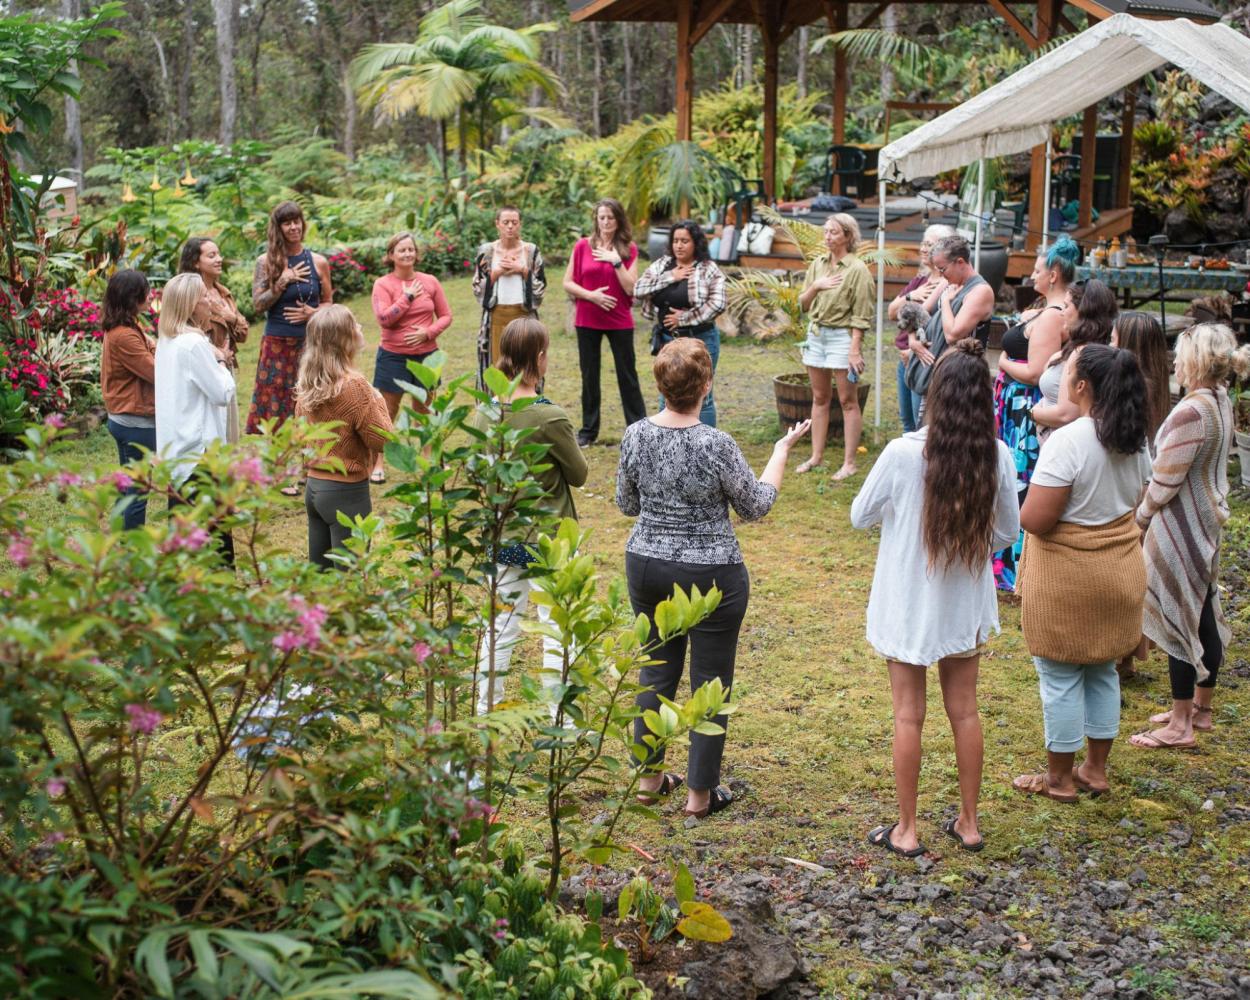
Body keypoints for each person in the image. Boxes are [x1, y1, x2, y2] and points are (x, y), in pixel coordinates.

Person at [616, 337, 810, 818]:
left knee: (655, 673)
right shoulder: (715, 443)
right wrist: (782, 450)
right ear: (706, 385)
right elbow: (756, 505)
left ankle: (648, 781)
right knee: (710, 680)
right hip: (711, 573)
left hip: (647, 565)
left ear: (660, 384)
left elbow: (627, 504)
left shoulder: (636, 434)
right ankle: (699, 797)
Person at [851, 339, 1018, 856]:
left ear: (934, 394)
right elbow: (1008, 531)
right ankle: (968, 823)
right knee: (964, 711)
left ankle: (907, 829)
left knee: (908, 714)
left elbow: (860, 515)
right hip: (962, 601)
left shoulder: (902, 454)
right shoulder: (998, 455)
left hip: (907, 600)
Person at [1013, 345, 1152, 801]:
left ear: (1083, 387)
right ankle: (1094, 769)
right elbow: (1135, 502)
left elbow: (1036, 520)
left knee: (1059, 676)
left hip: (1069, 579)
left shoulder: (1070, 441)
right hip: (1120, 569)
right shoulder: (1135, 439)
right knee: (1103, 672)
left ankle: (1058, 779)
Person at [1129, 324, 1250, 750]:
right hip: (1206, 520)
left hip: (1180, 524)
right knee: (1201, 610)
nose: (1174, 363)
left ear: (1196, 362)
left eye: (1179, 356)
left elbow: (1164, 481)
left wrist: (1139, 521)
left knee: (1179, 614)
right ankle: (1202, 709)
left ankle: (1179, 724)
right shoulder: (1220, 400)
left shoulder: (1191, 411)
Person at [470, 318, 588, 717]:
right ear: (540, 358)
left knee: (499, 628)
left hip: (501, 536)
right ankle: (561, 719)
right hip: (546, 540)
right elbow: (579, 474)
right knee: (556, 629)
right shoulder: (548, 417)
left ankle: (484, 710)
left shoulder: (484, 412)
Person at [990, 236, 1077, 590]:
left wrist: (1003, 361)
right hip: (1018, 409)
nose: (1032, 276)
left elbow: (1036, 373)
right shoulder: (1054, 310)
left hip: (1024, 413)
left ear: (1054, 274)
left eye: (1038, 271)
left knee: (1020, 481)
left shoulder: (1053, 316)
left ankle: (1016, 565)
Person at [294, 304, 393, 569]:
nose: (360, 328)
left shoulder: (308, 382)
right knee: (350, 580)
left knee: (320, 577)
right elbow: (381, 439)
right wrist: (379, 400)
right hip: (346, 492)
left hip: (315, 488)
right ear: (344, 339)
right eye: (355, 324)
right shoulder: (354, 385)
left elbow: (299, 434)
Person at [247, 201, 333, 495]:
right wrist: (281, 282)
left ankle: (310, 469)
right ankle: (283, 472)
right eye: (287, 223)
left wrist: (313, 314)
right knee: (277, 407)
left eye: (297, 221)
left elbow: (329, 303)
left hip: (310, 344)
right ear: (279, 228)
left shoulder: (318, 261)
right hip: (277, 344)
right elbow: (258, 305)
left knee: (309, 404)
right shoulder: (266, 262)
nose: (294, 227)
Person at [155, 272, 238, 565]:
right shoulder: (194, 345)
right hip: (199, 455)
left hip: (176, 452)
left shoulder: (167, 340)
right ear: (191, 305)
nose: (209, 301)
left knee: (184, 538)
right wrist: (221, 363)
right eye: (204, 296)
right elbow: (221, 393)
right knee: (214, 541)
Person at [795, 213, 876, 479]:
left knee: (847, 400)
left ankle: (849, 462)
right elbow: (803, 305)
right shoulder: (817, 265)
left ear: (848, 236)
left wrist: (855, 349)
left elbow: (861, 315)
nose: (827, 236)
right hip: (816, 334)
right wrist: (816, 287)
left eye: (834, 232)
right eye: (826, 231)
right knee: (819, 398)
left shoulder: (857, 270)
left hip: (843, 338)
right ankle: (816, 457)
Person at [563, 198, 647, 447]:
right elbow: (568, 282)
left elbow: (631, 288)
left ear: (618, 219)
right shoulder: (582, 246)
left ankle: (638, 430)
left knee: (627, 375)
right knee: (589, 377)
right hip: (587, 319)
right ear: (596, 220)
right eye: (602, 217)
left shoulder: (628, 248)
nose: (606, 221)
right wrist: (592, 296)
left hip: (619, 320)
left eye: (611, 217)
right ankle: (588, 431)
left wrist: (616, 262)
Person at [369, 231, 452, 482]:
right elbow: (384, 319)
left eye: (410, 249)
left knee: (425, 409)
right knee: (386, 411)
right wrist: (407, 297)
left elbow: (446, 315)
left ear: (416, 253)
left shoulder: (431, 281)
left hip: (427, 357)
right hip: (393, 357)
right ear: (391, 255)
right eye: (401, 250)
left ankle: (428, 459)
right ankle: (378, 463)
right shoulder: (383, 285)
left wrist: (428, 332)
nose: (407, 253)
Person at [633, 220, 727, 426]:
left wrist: (683, 318)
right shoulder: (662, 265)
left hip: (701, 338)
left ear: (696, 243)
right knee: (666, 393)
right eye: (676, 241)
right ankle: (666, 442)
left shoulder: (707, 269)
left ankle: (706, 445)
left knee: (704, 395)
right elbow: (638, 290)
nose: (679, 246)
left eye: (685, 241)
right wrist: (670, 277)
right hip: (668, 341)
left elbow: (718, 303)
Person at [905, 234, 995, 427]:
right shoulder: (949, 282)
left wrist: (946, 302)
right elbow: (918, 310)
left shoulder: (980, 291)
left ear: (960, 262)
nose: (941, 273)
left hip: (958, 378)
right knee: (922, 432)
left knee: (946, 433)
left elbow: (953, 334)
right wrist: (912, 340)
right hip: (930, 372)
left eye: (943, 268)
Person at [886, 224, 956, 433]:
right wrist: (911, 296)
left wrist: (913, 346)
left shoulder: (947, 283)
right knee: (907, 419)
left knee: (921, 422)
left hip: (924, 358)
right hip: (905, 358)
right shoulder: (920, 281)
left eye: (930, 244)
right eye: (923, 243)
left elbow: (937, 326)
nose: (924, 249)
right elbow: (891, 312)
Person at [101, 269, 156, 529]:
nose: (150, 295)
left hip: (127, 418)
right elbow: (156, 372)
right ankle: (134, 549)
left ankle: (122, 540)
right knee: (137, 491)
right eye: (145, 291)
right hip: (135, 423)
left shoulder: (129, 327)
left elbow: (152, 348)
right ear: (132, 297)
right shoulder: (124, 335)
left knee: (128, 488)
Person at [179, 237, 249, 443]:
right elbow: (182, 331)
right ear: (195, 262)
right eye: (211, 255)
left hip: (226, 368)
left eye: (219, 254)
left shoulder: (223, 293)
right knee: (211, 428)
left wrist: (231, 317)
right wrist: (216, 352)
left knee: (230, 428)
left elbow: (244, 334)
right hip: (204, 368)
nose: (219, 259)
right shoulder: (187, 295)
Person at [1031, 278, 1117, 438]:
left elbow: (1066, 415)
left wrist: (1032, 414)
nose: (1061, 312)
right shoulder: (1081, 347)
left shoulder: (1083, 353)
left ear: (1083, 311)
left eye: (1066, 306)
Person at [473, 206, 546, 377]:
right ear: (497, 224)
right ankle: (500, 403)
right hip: (496, 316)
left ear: (520, 224)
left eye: (514, 222)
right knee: (499, 368)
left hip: (524, 316)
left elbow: (541, 284)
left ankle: (524, 403)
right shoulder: (487, 251)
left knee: (526, 366)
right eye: (506, 222)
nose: (510, 227)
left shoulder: (530, 251)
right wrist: (497, 273)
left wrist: (522, 270)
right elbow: (477, 285)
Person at [1113, 311, 1172, 446]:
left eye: (1112, 340)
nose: (1108, 347)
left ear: (1126, 346)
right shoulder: (1157, 379)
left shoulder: (1132, 388)